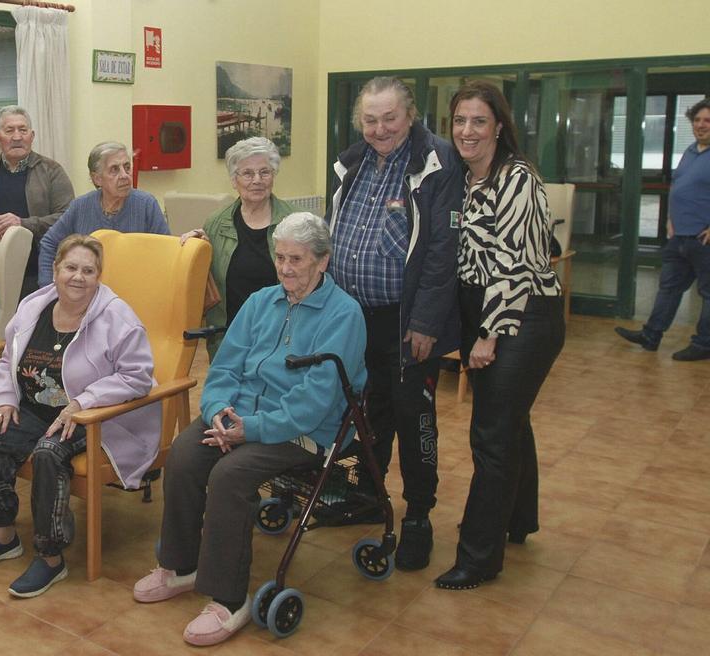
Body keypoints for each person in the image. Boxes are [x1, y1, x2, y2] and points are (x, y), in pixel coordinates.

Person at [132, 213, 366, 647]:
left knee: (230, 475)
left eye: (297, 258)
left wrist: (250, 429)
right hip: (239, 416)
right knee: (183, 453)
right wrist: (219, 410)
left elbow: (315, 402)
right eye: (280, 257)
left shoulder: (344, 315)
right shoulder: (261, 302)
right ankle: (181, 566)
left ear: (323, 261)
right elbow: (224, 367)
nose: (286, 268)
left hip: (301, 430)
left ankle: (229, 599)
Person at [0, 234, 158, 598]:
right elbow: (7, 360)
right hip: (35, 407)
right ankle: (3, 535)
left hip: (93, 416)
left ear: (99, 276)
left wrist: (85, 401)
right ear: (56, 270)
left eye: (88, 270)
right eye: (71, 267)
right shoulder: (34, 307)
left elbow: (138, 376)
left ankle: (51, 556)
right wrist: (3, 399)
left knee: (49, 452)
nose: (78, 277)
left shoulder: (117, 317)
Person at [326, 76, 463, 571]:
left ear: (410, 115)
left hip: (408, 324)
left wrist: (426, 322)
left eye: (389, 118)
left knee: (414, 415)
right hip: (355, 319)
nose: (380, 128)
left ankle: (419, 516)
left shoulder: (438, 164)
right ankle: (368, 495)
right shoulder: (351, 163)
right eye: (370, 119)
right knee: (365, 410)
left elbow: (442, 254)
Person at [436, 81, 565, 590]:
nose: (467, 131)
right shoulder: (465, 178)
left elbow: (517, 265)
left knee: (490, 434)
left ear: (500, 127)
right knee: (510, 422)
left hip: (522, 316)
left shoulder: (517, 180)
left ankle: (480, 557)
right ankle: (517, 521)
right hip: (481, 310)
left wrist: (488, 335)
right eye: (460, 121)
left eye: (479, 121)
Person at [180, 137, 296, 358]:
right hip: (230, 342)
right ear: (234, 180)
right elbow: (202, 284)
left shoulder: (296, 221)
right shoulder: (216, 224)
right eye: (247, 173)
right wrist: (194, 250)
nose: (257, 180)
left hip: (282, 341)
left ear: (273, 176)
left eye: (265, 172)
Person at [615, 97, 710, 361]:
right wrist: (671, 218)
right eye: (698, 120)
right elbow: (679, 187)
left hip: (703, 239)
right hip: (679, 236)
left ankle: (704, 344)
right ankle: (651, 335)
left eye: (708, 121)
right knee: (668, 288)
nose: (701, 125)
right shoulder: (691, 151)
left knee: (708, 294)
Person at [0, 105, 75, 299]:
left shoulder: (52, 171)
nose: (17, 137)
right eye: (9, 130)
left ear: (32, 136)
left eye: (23, 130)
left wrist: (23, 223)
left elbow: (68, 217)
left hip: (37, 272)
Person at [36, 141, 169, 285]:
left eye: (127, 167)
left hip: (135, 291)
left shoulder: (146, 205)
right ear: (97, 179)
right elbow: (49, 243)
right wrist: (48, 289)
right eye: (114, 170)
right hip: (88, 296)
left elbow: (166, 252)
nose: (124, 175)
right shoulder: (81, 206)